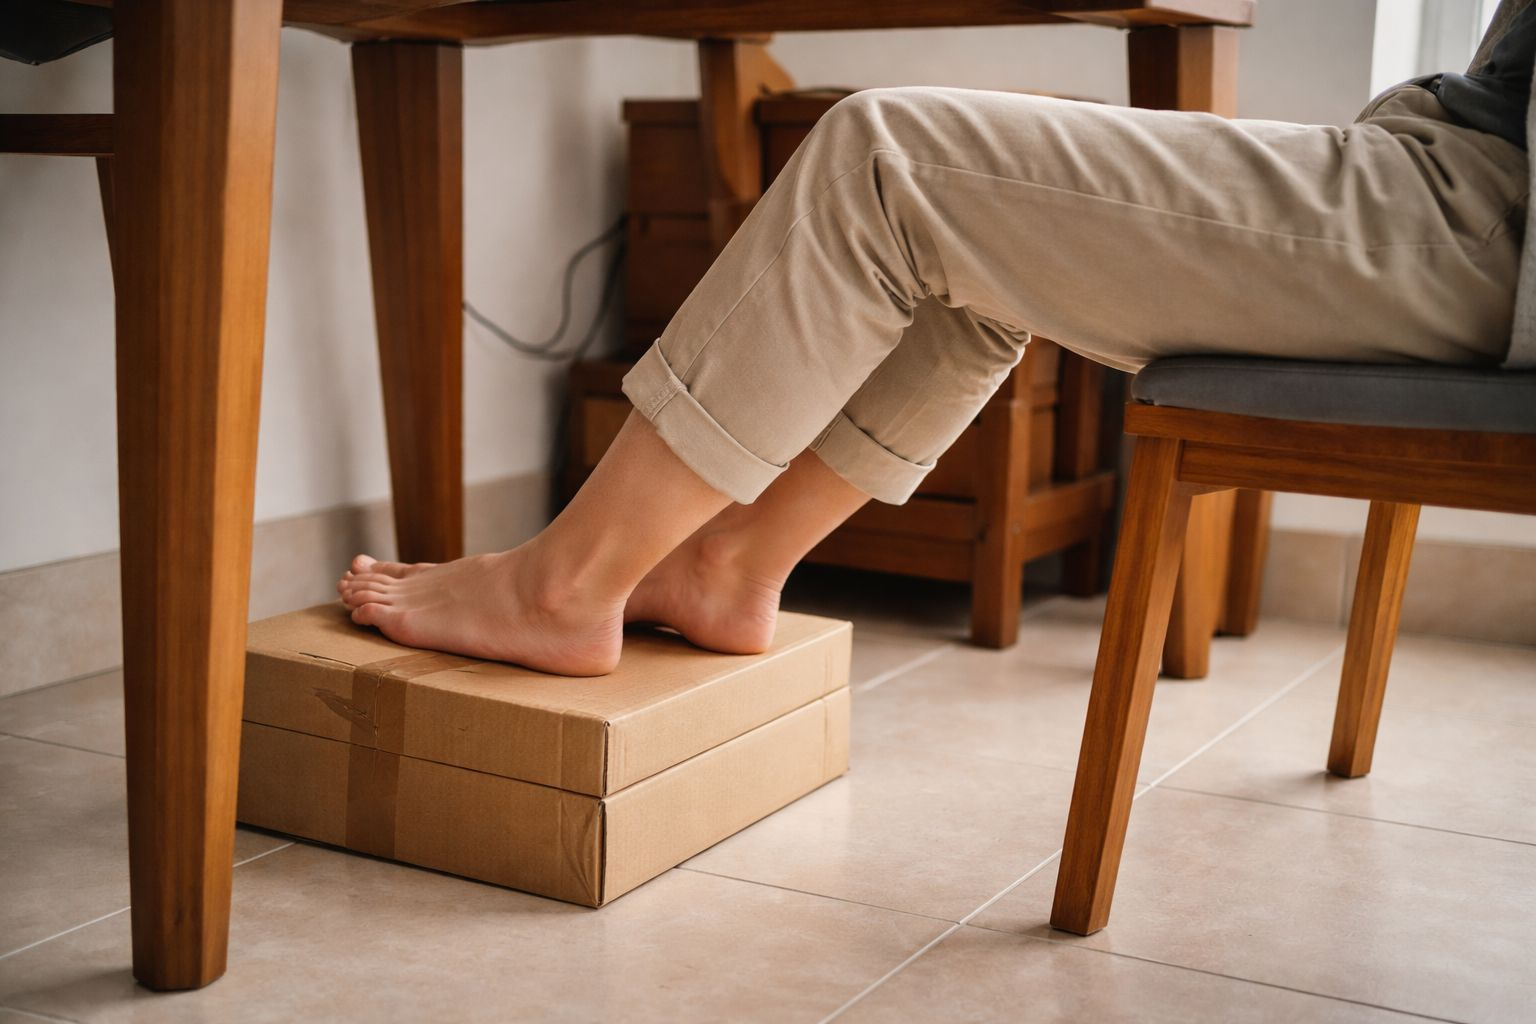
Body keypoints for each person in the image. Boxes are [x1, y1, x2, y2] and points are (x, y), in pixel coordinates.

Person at [338, 3, 1534, 676]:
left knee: (885, 158)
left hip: (1491, 221)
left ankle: (566, 585)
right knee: (980, 253)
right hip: (1450, 173)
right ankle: (728, 568)